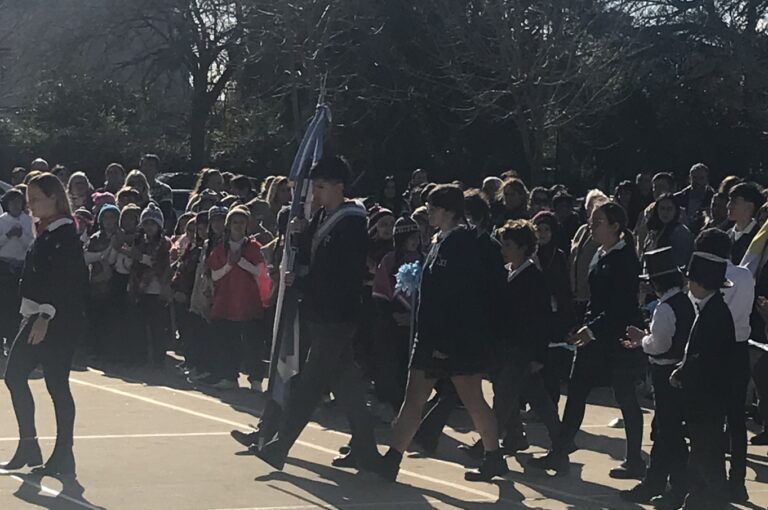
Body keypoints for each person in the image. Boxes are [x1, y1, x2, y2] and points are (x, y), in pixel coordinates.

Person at [253, 156, 381, 474]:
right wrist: (298, 233)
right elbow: (311, 250)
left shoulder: (352, 221)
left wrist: (306, 280)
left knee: (310, 384)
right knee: (348, 385)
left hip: (337, 315)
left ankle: (279, 446)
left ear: (339, 186)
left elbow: (341, 273)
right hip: (319, 311)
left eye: (322, 187)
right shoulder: (324, 214)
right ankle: (369, 453)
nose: (317, 194)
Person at [377, 184, 506, 483]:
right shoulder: (442, 240)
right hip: (438, 336)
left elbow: (457, 298)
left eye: (433, 208)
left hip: (447, 339)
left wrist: (443, 343)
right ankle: (393, 458)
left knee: (470, 397)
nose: (429, 213)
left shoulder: (459, 243)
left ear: (448, 211)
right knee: (419, 397)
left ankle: (493, 456)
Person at [531, 202, 645, 478]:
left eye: (599, 222)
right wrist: (581, 326)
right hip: (594, 336)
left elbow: (620, 306)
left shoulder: (625, 258)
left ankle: (635, 460)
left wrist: (591, 329)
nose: (592, 227)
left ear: (616, 226)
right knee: (577, 390)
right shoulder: (600, 253)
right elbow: (594, 299)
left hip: (618, 338)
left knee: (625, 397)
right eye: (592, 221)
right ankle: (559, 451)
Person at [2, 173, 88, 476]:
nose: (31, 204)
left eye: (37, 198)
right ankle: (29, 444)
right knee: (14, 376)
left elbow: (68, 281)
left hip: (57, 320)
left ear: (54, 198)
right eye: (30, 199)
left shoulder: (65, 233)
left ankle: (63, 454)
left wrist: (45, 315)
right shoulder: (46, 231)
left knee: (56, 384)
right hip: (37, 314)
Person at [621, 247, 695, 508]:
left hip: (666, 374)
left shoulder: (666, 308)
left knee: (669, 434)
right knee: (664, 432)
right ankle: (656, 481)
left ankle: (677, 487)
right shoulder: (684, 301)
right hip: (677, 372)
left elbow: (661, 344)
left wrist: (642, 340)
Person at [670, 251, 735, 510]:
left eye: (691, 280)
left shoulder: (715, 314)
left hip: (708, 397)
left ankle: (704, 500)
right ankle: (700, 498)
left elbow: (703, 357)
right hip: (708, 397)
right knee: (704, 451)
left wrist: (683, 373)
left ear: (700, 282)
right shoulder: (711, 309)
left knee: (704, 453)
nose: (688, 285)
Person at [694, 228, 754, 503]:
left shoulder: (704, 279)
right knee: (737, 418)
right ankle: (737, 482)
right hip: (740, 348)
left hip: (714, 351)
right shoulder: (744, 275)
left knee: (712, 418)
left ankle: (713, 481)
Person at [202, 205, 267, 390]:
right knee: (227, 341)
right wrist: (230, 264)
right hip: (226, 301)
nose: (238, 226)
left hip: (248, 302)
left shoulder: (254, 247)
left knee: (252, 343)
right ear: (229, 224)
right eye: (235, 222)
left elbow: (260, 272)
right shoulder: (220, 248)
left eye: (242, 222)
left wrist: (242, 262)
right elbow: (214, 274)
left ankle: (256, 379)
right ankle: (229, 376)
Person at [532, 211, 578, 406]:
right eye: (538, 229)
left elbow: (562, 288)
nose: (542, 234)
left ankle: (550, 403)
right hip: (533, 314)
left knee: (549, 363)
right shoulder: (529, 253)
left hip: (553, 315)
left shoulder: (557, 255)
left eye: (546, 230)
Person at [129, 203, 172, 367]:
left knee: (157, 328)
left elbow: (161, 264)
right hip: (140, 289)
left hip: (157, 290)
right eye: (146, 223)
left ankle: (158, 360)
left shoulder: (164, 243)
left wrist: (142, 258)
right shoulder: (139, 242)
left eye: (153, 223)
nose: (149, 227)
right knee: (139, 326)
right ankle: (140, 357)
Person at [0, 189, 34, 351]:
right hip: (3, 266)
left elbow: (32, 244)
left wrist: (20, 236)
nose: (15, 205)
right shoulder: (1, 220)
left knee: (17, 305)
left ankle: (13, 340)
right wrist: (8, 235)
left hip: (21, 266)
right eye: (12, 202)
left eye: (18, 201)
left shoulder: (28, 221)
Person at [569, 189, 610, 320]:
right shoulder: (581, 230)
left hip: (592, 295)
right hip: (576, 295)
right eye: (590, 206)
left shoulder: (605, 232)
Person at [642, 193, 694, 268]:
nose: (665, 213)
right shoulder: (654, 231)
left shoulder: (681, 232)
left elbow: (680, 261)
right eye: (662, 208)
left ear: (675, 211)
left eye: (669, 209)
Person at [727, 182, 764, 264]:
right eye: (729, 201)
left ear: (749, 206)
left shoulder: (760, 236)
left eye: (734, 202)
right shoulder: (726, 235)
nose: (728, 206)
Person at [140, 154, 176, 233]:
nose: (147, 168)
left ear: (156, 169)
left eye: (151, 165)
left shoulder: (164, 189)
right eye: (145, 165)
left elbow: (167, 214)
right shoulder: (134, 188)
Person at [674, 163, 714, 234]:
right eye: (695, 178)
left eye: (701, 178)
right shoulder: (677, 198)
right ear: (690, 179)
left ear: (707, 180)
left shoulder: (713, 199)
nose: (698, 181)